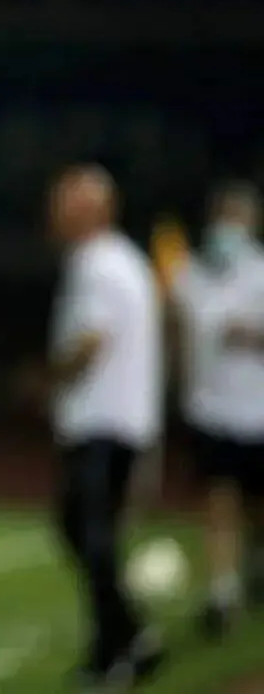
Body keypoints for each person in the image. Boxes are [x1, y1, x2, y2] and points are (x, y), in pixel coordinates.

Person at [44, 165, 166, 688]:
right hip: (124, 420)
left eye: (62, 203)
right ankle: (126, 637)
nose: (52, 214)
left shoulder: (96, 263)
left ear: (91, 210)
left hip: (102, 422)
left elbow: (91, 340)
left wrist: (49, 378)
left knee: (90, 535)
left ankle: (120, 646)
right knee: (88, 532)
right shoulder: (127, 260)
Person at [170, 182, 264, 636]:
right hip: (210, 409)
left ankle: (256, 562)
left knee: (255, 505)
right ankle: (221, 593)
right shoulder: (192, 274)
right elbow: (178, 330)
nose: (229, 227)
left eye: (237, 217)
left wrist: (251, 335)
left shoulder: (261, 273)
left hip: (258, 410)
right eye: (223, 216)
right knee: (218, 500)